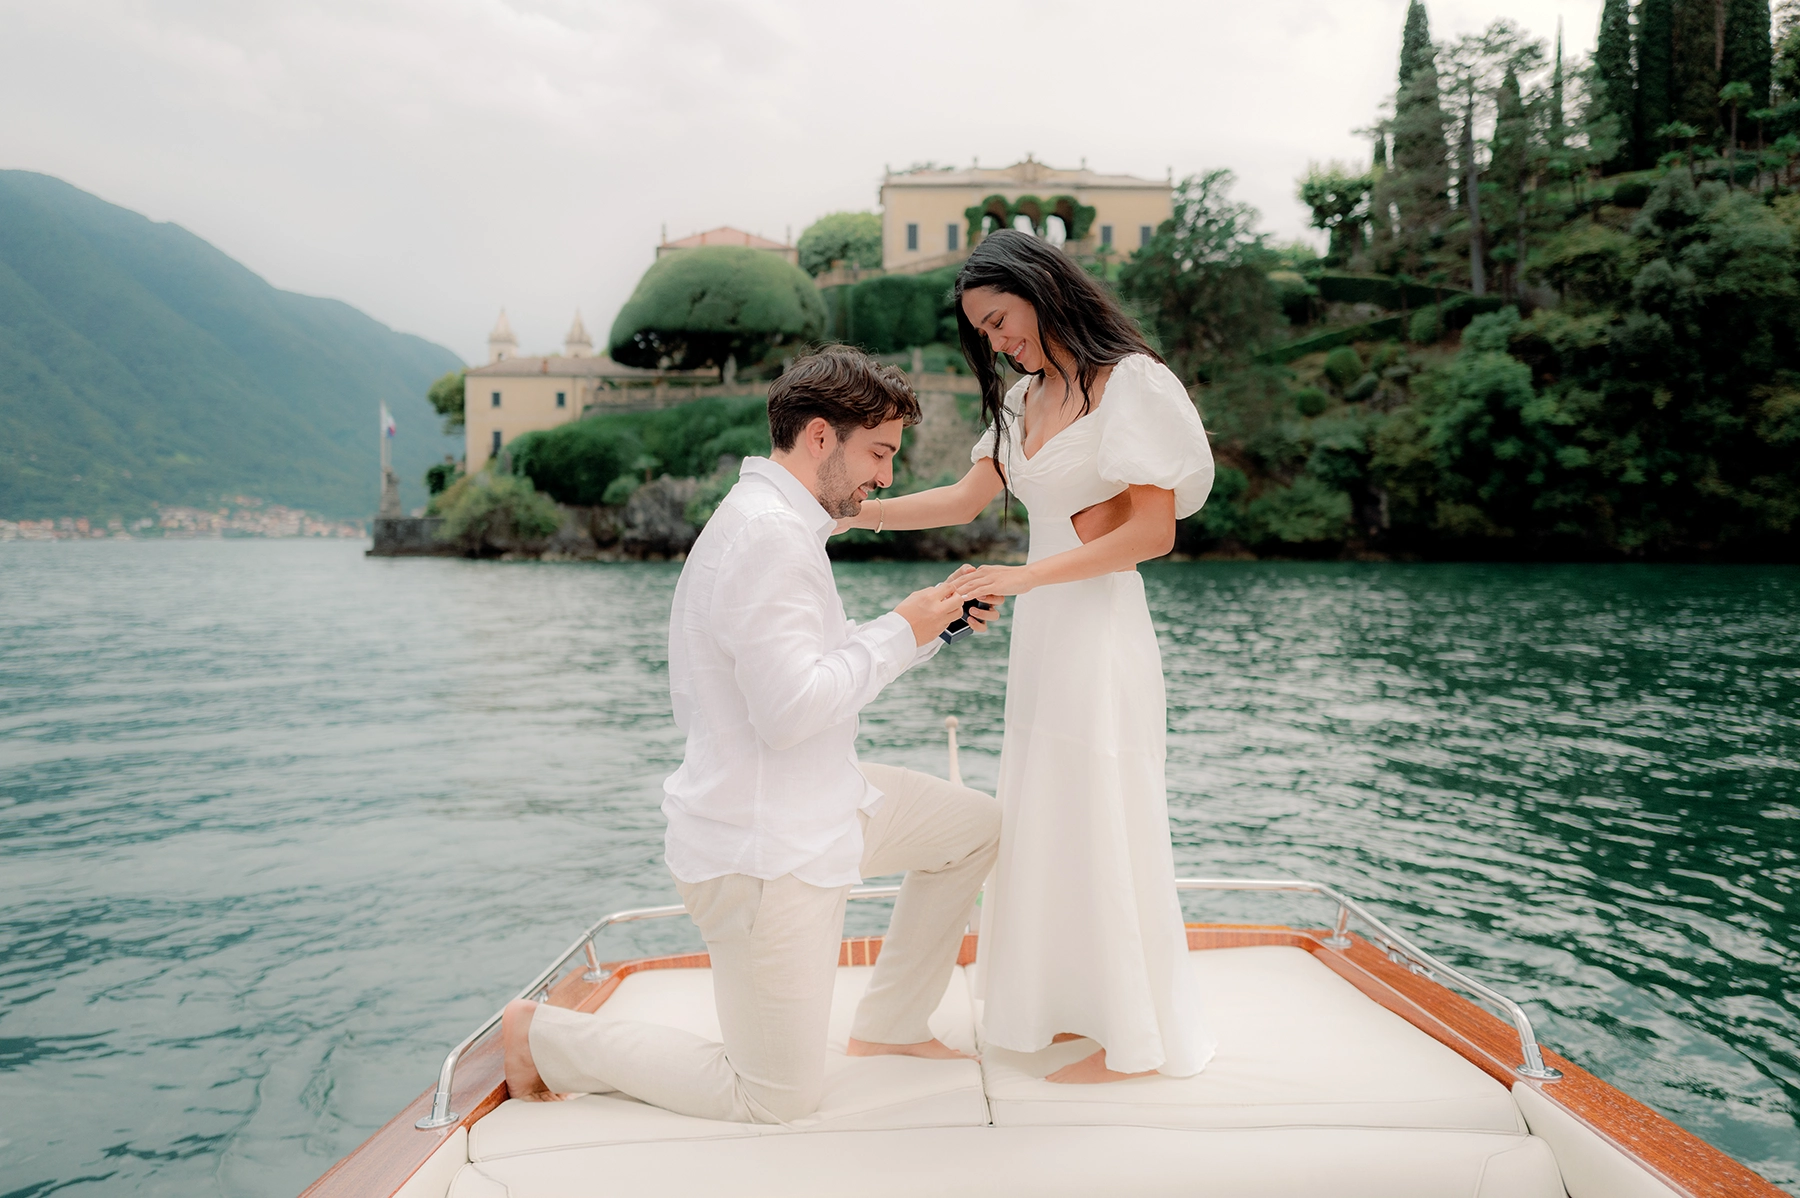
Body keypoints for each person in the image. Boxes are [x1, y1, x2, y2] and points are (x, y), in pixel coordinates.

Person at [500, 346, 1005, 1123]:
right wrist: (901, 629)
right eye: (879, 453)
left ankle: (893, 1024)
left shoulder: (776, 525)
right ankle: (549, 1038)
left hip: (822, 807)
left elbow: (808, 668)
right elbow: (791, 711)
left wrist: (928, 624)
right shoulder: (771, 537)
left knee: (975, 830)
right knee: (775, 1098)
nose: (886, 477)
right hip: (767, 853)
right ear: (818, 437)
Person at [835, 229, 1217, 1084]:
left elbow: (1153, 533)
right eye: (985, 334)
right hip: (1045, 634)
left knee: (1102, 809)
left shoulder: (1132, 386)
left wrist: (1027, 575)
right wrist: (845, 511)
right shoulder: (1021, 402)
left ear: (1045, 291)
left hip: (1100, 628)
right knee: (1045, 814)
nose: (999, 343)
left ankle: (1131, 1042)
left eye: (1002, 321)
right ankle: (1065, 1014)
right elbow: (966, 498)